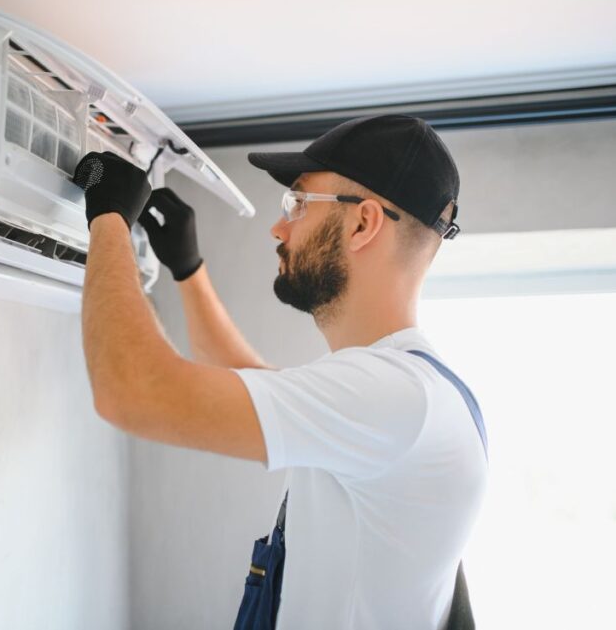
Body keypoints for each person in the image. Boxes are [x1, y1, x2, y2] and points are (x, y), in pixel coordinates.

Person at [74, 114, 488, 629]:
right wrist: (188, 269)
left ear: (363, 223)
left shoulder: (397, 398)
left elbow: (130, 391)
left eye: (297, 203)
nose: (279, 226)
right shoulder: (405, 391)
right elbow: (250, 381)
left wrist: (108, 218)